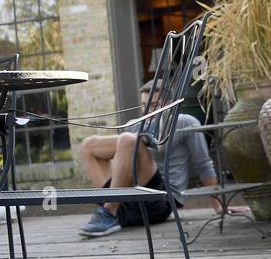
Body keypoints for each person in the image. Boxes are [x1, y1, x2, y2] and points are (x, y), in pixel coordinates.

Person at [77, 79, 238, 237]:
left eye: (153, 106)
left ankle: (108, 213)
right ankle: (110, 209)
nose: (147, 111)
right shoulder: (134, 124)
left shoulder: (186, 122)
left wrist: (220, 206)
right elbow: (121, 163)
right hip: (129, 201)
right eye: (144, 106)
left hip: (161, 202)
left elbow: (203, 165)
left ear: (169, 104)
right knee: (88, 145)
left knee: (128, 139)